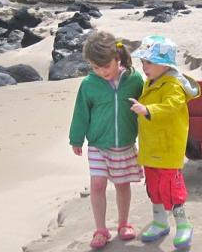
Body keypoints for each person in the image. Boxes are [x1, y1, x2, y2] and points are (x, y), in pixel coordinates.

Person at [69, 30, 145, 249]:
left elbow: (148, 104)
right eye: (95, 67)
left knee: (122, 185)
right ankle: (101, 229)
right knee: (98, 184)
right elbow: (81, 112)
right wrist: (76, 138)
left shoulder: (134, 80)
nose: (101, 72)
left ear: (117, 58)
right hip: (98, 145)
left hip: (124, 144)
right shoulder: (89, 84)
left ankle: (123, 223)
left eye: (106, 67)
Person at [129, 35, 200, 249]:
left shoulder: (173, 85)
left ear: (164, 64)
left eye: (149, 62)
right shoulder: (151, 82)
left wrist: (148, 110)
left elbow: (171, 106)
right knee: (154, 187)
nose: (144, 66)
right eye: (143, 62)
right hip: (151, 146)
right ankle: (160, 221)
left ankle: (183, 224)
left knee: (171, 188)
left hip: (168, 147)